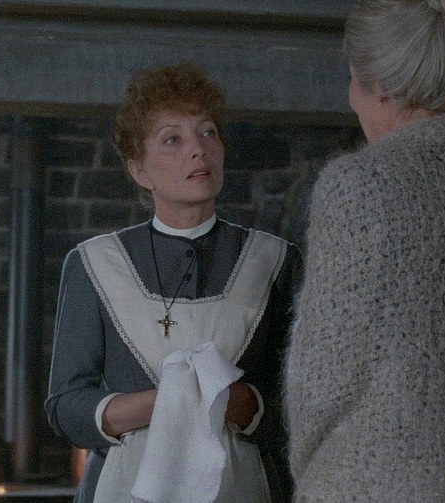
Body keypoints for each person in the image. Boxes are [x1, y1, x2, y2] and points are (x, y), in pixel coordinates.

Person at [284, 0, 445, 501]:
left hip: (381, 482)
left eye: (353, 77)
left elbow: (322, 379)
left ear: (377, 84)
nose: (351, 96)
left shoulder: (360, 187)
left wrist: (308, 473)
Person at [45, 63, 302, 503]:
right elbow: (65, 407)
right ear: (139, 170)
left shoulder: (274, 260)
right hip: (124, 488)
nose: (198, 150)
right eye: (173, 139)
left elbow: (301, 402)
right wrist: (162, 402)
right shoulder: (93, 264)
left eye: (208, 133)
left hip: (242, 487)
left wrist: (241, 404)